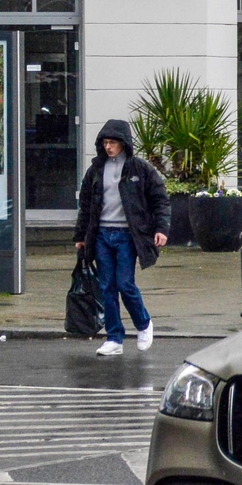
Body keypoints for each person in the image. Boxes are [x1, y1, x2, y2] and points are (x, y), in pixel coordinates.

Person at [75, 119, 170, 357]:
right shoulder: (96, 170)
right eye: (105, 143)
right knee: (107, 286)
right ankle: (114, 337)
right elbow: (85, 204)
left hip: (128, 235)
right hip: (102, 235)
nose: (108, 147)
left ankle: (143, 324)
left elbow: (160, 199)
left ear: (124, 144)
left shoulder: (140, 168)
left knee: (125, 284)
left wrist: (161, 229)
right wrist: (81, 236)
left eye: (113, 143)